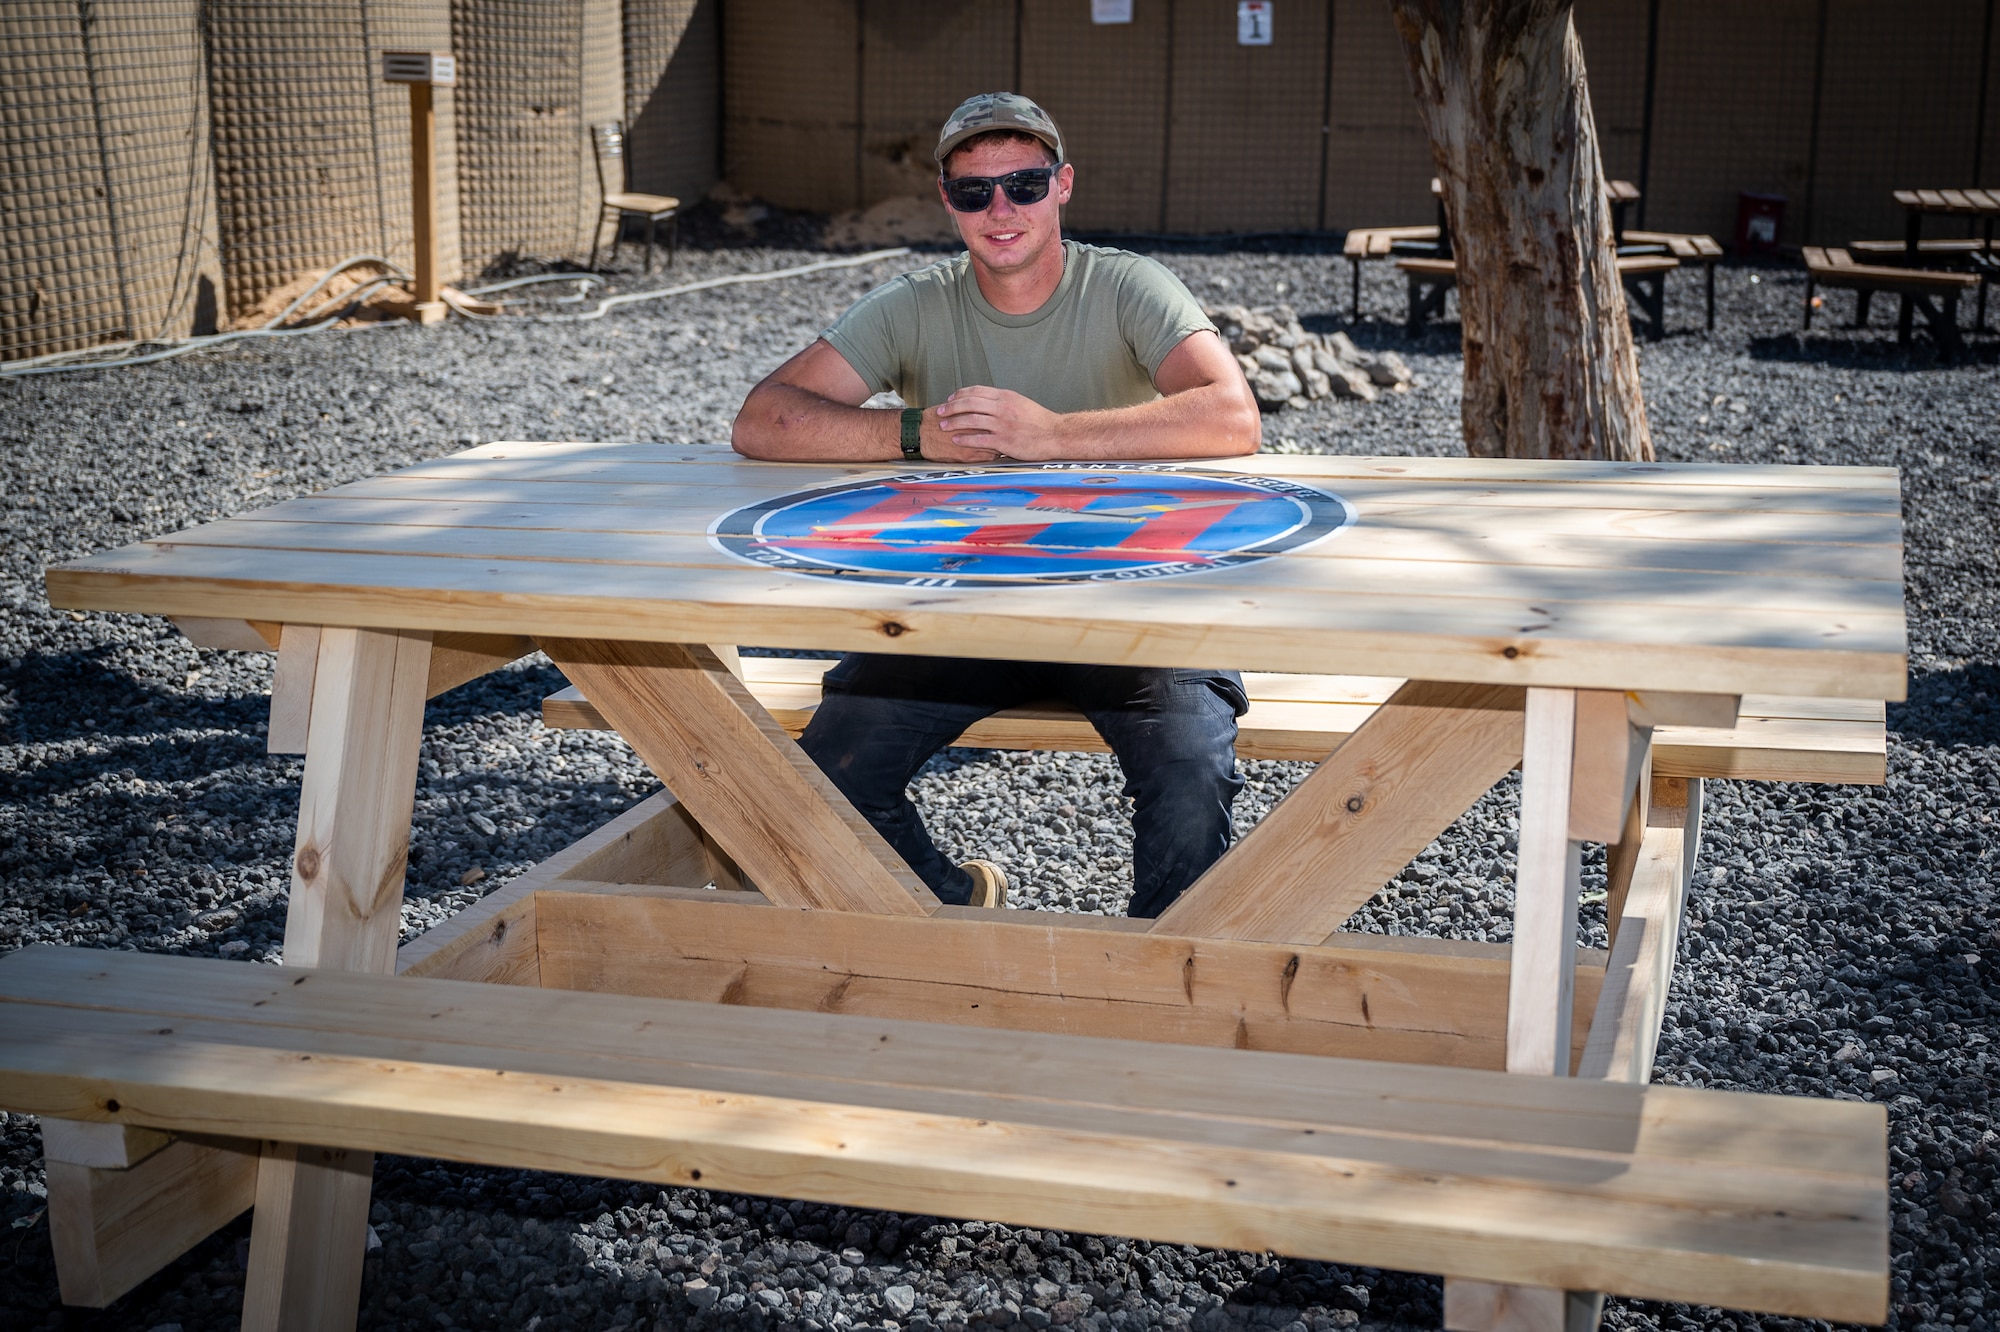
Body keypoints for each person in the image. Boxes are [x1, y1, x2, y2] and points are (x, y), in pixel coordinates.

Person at [731, 92, 1261, 916]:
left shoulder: (1129, 286)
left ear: (1063, 185)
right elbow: (764, 419)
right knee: (831, 769)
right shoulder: (916, 302)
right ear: (948, 201)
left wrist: (1053, 435)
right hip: (966, 604)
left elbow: (1232, 417)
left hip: (1134, 599)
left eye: (1024, 183)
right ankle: (956, 900)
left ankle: (1160, 986)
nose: (1001, 208)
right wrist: (916, 435)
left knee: (1190, 775)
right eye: (975, 192)